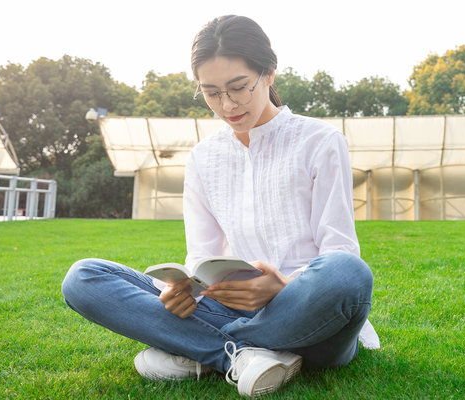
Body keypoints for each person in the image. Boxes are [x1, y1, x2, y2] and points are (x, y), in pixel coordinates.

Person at [61, 15, 377, 397]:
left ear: (269, 74)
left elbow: (339, 249)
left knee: (347, 273)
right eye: (211, 92)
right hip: (227, 305)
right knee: (84, 278)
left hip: (307, 310)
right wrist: (182, 290)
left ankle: (197, 350)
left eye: (239, 88)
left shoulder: (320, 141)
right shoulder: (203, 158)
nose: (227, 105)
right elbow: (201, 258)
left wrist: (281, 287)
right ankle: (238, 355)